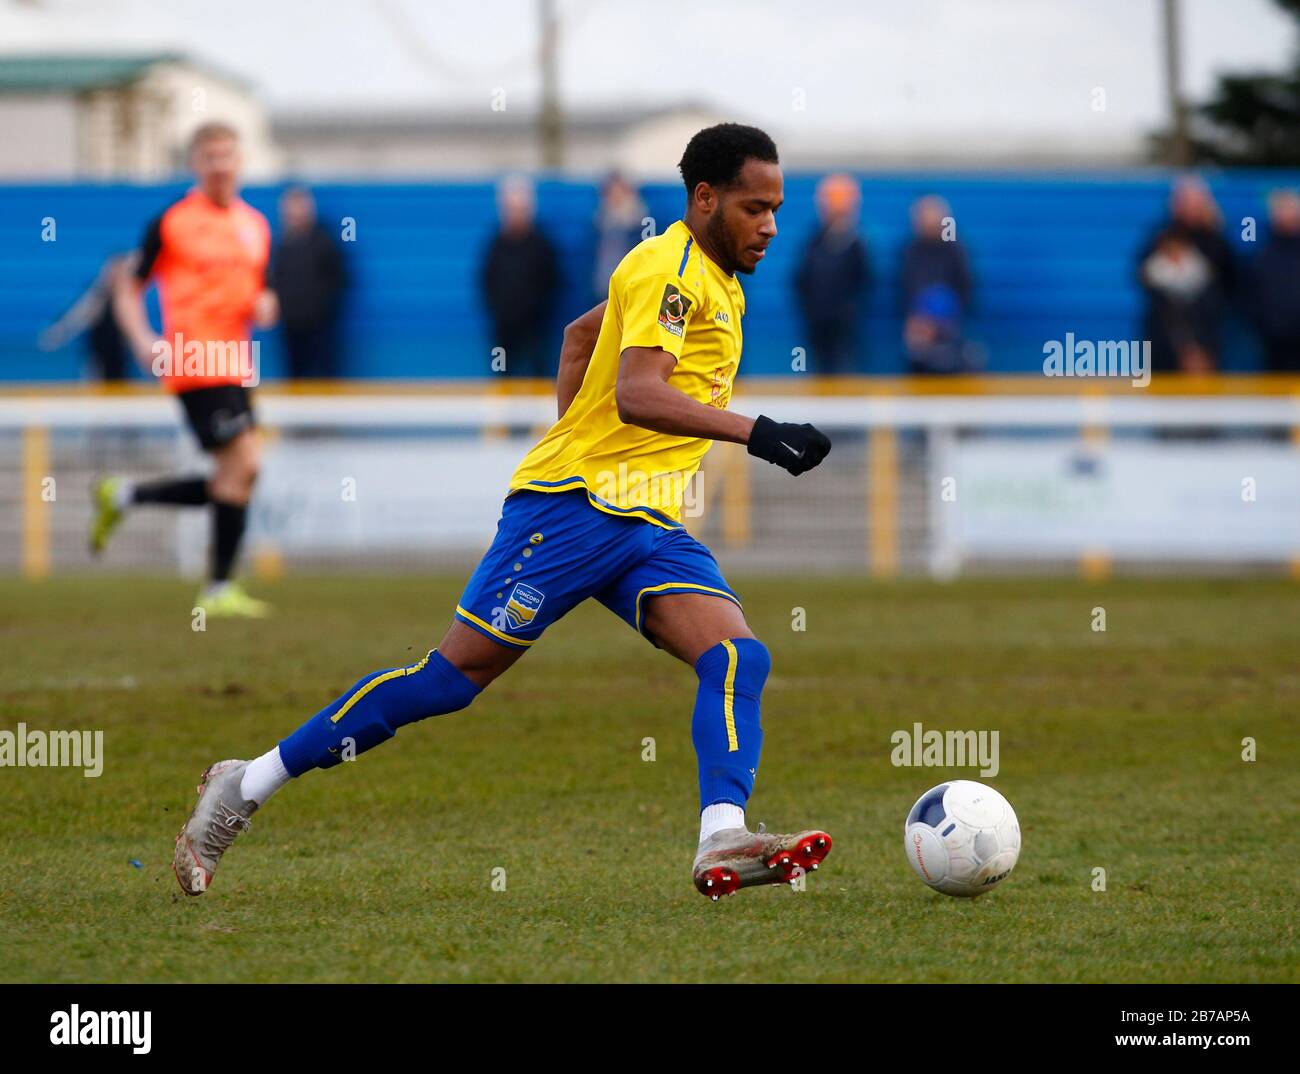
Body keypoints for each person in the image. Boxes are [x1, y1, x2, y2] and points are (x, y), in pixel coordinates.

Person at [171, 123, 835, 902]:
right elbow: (638, 392)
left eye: (777, 209)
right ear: (705, 198)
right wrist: (757, 432)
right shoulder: (672, 268)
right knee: (447, 682)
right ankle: (244, 785)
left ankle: (722, 833)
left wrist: (575, 434)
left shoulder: (706, 277)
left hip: (645, 523)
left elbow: (580, 335)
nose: (771, 226)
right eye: (756, 208)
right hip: (572, 512)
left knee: (736, 657)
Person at [93, 121, 277, 618]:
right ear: (195, 164)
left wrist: (266, 303)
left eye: (227, 155)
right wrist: (141, 338)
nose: (220, 164)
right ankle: (217, 589)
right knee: (245, 465)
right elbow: (126, 285)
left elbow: (264, 292)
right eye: (210, 156)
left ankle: (127, 495)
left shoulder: (255, 225)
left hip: (236, 365)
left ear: (240, 161)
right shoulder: (172, 222)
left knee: (233, 477)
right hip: (194, 361)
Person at [1136, 177, 1235, 373]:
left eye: (1196, 202)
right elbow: (1143, 277)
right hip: (1163, 338)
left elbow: (1229, 284)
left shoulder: (1216, 241)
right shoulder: (1160, 237)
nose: (1191, 208)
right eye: (1186, 202)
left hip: (1206, 335)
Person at [479, 175, 561, 377]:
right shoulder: (495, 244)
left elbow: (552, 281)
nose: (515, 214)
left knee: (537, 372)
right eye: (511, 209)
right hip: (504, 326)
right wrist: (500, 310)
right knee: (502, 372)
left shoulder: (542, 243)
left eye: (520, 209)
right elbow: (486, 280)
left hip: (535, 327)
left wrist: (536, 309)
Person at [794, 173, 870, 373]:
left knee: (842, 370)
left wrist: (848, 309)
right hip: (817, 322)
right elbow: (801, 277)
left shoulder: (855, 243)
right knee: (820, 371)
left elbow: (863, 280)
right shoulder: (815, 240)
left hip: (843, 325)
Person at [272, 185, 347, 380]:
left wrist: (320, 308)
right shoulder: (281, 244)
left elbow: (338, 279)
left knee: (323, 376)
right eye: (290, 208)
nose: (294, 213)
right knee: (295, 376)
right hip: (290, 326)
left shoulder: (324, 241)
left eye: (299, 206)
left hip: (319, 327)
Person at [899, 195, 974, 374]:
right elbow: (906, 288)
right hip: (918, 329)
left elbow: (965, 288)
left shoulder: (955, 250)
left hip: (949, 328)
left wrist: (942, 320)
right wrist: (917, 320)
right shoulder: (911, 250)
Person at [38, 252, 135, 381]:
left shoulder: (129, 296)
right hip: (99, 357)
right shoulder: (98, 295)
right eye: (113, 270)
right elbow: (78, 316)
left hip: (120, 358)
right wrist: (59, 332)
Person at [1247, 189, 1300, 373]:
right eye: (1281, 210)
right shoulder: (1262, 256)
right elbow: (1251, 296)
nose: (1286, 216)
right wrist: (1266, 325)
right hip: (1274, 342)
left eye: (1290, 210)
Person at [592, 171, 648, 302]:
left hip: (632, 293)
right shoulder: (598, 224)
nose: (616, 197)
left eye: (620, 192)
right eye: (611, 193)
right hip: (603, 293)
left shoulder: (642, 226)